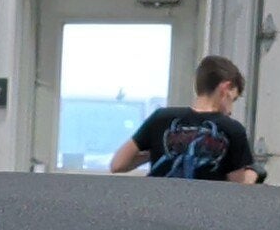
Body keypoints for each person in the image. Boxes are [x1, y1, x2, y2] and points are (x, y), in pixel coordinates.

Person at [111, 57, 261, 182]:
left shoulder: (161, 117)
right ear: (225, 88)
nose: (230, 110)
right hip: (203, 213)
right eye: (232, 100)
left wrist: (159, 151)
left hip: (158, 209)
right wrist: (255, 173)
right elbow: (239, 187)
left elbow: (118, 164)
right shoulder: (232, 129)